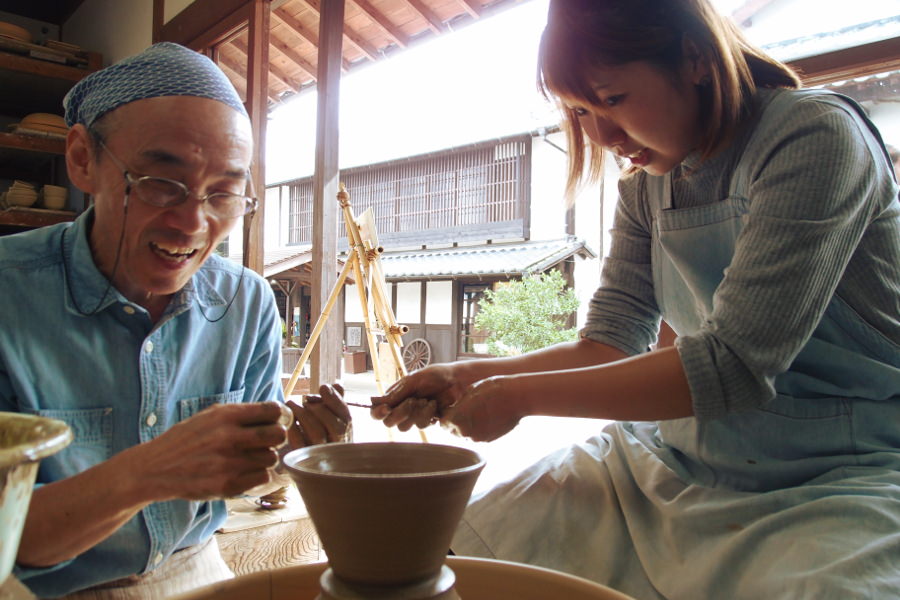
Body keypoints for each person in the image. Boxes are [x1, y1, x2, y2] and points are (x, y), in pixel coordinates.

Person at [372, 1, 900, 598]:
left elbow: (732, 366)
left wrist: (519, 396)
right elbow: (610, 342)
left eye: (612, 99)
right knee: (453, 552)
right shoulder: (646, 187)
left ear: (695, 59)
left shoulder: (814, 136)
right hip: (677, 453)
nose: (601, 136)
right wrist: (467, 376)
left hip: (842, 469)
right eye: (579, 110)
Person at [0, 43, 350, 599]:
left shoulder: (247, 302)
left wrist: (292, 454)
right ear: (83, 159)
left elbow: (246, 476)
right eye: (161, 183)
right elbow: (11, 542)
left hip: (195, 569)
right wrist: (149, 471)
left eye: (224, 193)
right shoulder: (10, 295)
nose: (192, 223)